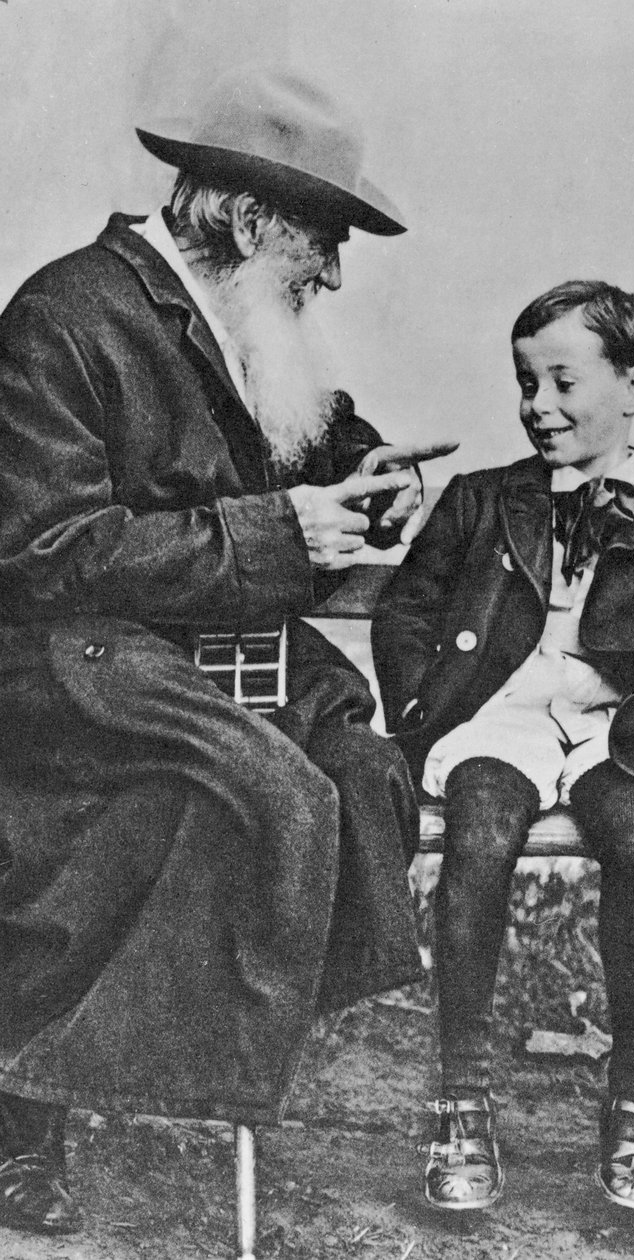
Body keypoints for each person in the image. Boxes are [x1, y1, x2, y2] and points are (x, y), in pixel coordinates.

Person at [0, 65, 453, 1236]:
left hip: (209, 650)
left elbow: (309, 437)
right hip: (73, 669)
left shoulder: (235, 310)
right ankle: (25, 1112)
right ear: (249, 221)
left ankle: (196, 1064)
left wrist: (371, 477)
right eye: (325, 241)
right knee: (252, 795)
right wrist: (274, 533)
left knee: (351, 764)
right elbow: (43, 554)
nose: (334, 275)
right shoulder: (65, 316)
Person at [372, 280, 634, 1214]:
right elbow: (407, 610)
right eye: (526, 383)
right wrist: (424, 707)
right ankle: (461, 1100)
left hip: (613, 726)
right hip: (500, 714)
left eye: (564, 382)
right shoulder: (483, 500)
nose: (539, 407)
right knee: (481, 827)